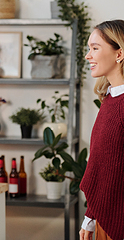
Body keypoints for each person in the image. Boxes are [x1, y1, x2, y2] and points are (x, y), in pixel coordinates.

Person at [80, 20, 124, 240]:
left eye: (95, 48)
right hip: (104, 221)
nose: (88, 56)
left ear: (119, 54)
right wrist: (90, 217)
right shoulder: (110, 99)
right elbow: (104, 166)